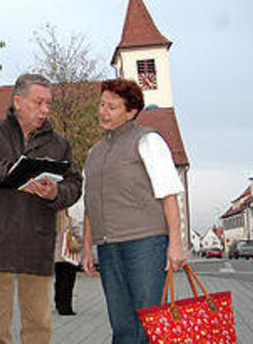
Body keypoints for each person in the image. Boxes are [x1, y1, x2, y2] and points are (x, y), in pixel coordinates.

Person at [0, 73, 82, 344]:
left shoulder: (58, 144)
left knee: (38, 325)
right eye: (38, 102)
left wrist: (56, 192)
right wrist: (6, 171)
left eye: (48, 103)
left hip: (36, 244)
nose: (45, 110)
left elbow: (74, 184)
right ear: (18, 101)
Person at [81, 78, 187, 344]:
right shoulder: (95, 152)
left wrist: (175, 243)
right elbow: (91, 204)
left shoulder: (148, 141)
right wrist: (86, 249)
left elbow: (168, 195)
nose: (103, 111)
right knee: (121, 325)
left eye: (112, 107)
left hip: (145, 244)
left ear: (131, 112)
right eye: (102, 104)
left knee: (148, 324)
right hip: (108, 247)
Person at [53, 210, 82, 316]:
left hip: (57, 258)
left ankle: (58, 304)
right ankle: (66, 308)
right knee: (68, 283)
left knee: (59, 282)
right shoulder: (70, 221)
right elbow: (79, 236)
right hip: (68, 258)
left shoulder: (53, 222)